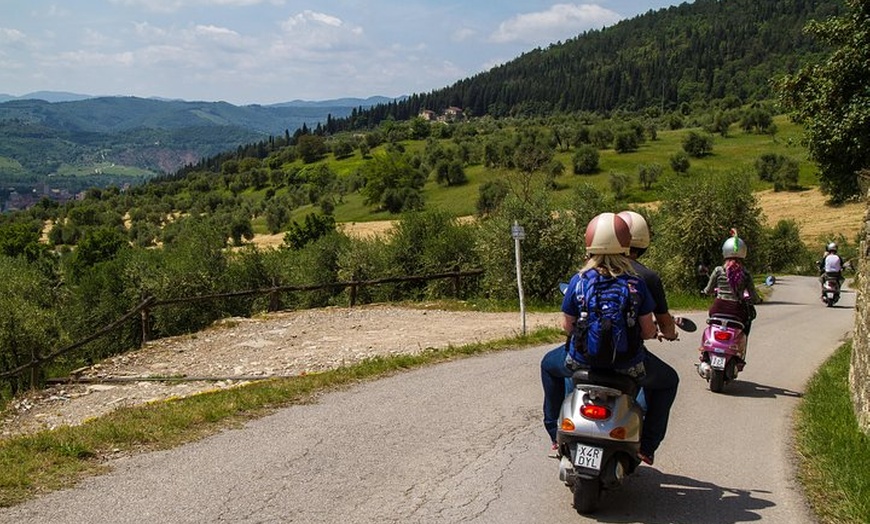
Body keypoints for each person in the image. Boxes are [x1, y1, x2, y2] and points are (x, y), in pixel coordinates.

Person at [540, 210, 679, 466]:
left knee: (548, 366)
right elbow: (648, 331)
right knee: (669, 380)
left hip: (581, 363)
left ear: (590, 244)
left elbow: (566, 326)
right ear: (626, 245)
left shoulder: (579, 281)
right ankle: (646, 447)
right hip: (629, 365)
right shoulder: (635, 284)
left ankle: (554, 433)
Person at [702, 229, 761, 335]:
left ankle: (706, 345)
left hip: (718, 308)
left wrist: (706, 291)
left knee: (712, 324)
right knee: (746, 323)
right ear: (744, 252)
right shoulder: (745, 273)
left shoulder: (718, 270)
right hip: (737, 311)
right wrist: (758, 300)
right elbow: (753, 295)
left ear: (725, 251)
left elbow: (709, 289)